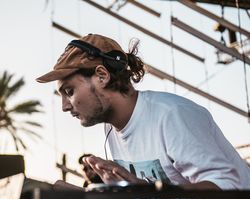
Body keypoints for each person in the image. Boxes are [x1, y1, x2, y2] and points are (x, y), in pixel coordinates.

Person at [36, 33, 250, 190]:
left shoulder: (172, 114)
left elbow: (227, 186)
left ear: (102, 76)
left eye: (69, 91)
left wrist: (147, 193)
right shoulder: (111, 130)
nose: (65, 106)